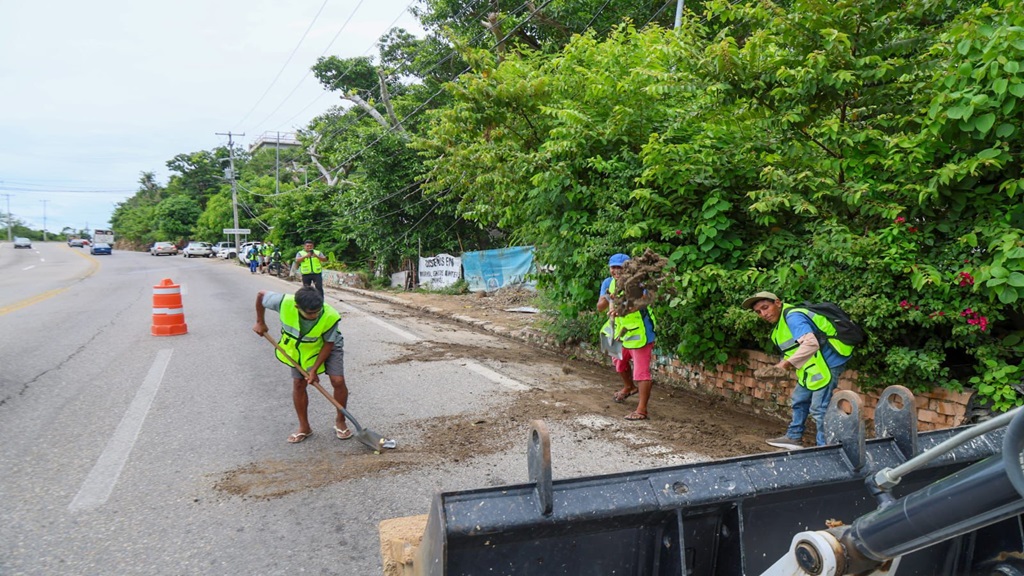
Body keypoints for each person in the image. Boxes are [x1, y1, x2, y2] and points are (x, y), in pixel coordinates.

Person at [742, 291, 854, 449]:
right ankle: (794, 437)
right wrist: (779, 367)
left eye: (765, 307)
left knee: (819, 408)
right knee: (799, 399)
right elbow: (793, 350)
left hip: (829, 361)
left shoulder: (793, 317)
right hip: (813, 365)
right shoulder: (780, 325)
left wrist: (784, 365)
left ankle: (826, 447)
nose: (763, 314)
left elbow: (811, 344)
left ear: (778, 303)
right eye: (759, 312)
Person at [253, 286, 352, 443]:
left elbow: (328, 344)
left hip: (328, 345)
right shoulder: (283, 302)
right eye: (310, 313)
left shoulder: (330, 315)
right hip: (300, 349)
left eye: (317, 312)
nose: (314, 315)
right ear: (297, 307)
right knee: (299, 383)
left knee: (338, 381)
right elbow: (260, 294)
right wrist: (260, 322)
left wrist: (313, 370)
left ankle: (341, 421)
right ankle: (304, 427)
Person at [598, 253, 657, 421]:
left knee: (641, 372)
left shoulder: (637, 283)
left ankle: (641, 410)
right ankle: (629, 387)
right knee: (619, 363)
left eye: (620, 267)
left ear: (629, 268)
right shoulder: (608, 283)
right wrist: (609, 297)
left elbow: (642, 303)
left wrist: (622, 307)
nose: (617, 271)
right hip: (620, 331)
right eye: (613, 267)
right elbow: (600, 307)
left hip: (640, 332)